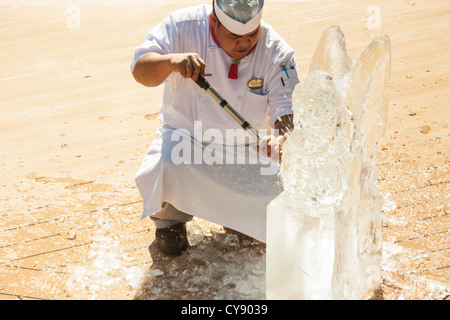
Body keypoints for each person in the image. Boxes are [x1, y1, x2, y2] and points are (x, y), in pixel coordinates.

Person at [131, 0, 300, 255]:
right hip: (186, 147)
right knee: (167, 164)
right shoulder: (182, 26)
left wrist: (281, 139)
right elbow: (140, 70)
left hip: (247, 153)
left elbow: (286, 110)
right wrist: (170, 61)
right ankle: (170, 218)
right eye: (234, 36)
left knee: (257, 241)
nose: (244, 44)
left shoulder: (277, 51)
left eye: (251, 35)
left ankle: (238, 218)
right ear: (213, 21)